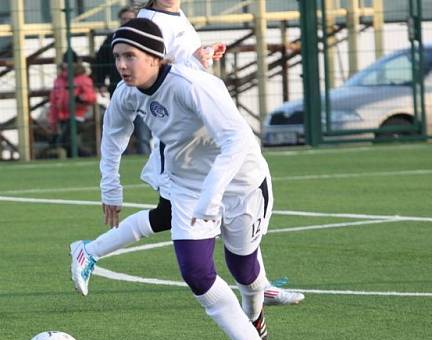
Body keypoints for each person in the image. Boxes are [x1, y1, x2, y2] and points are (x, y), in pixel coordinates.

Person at [70, 0, 304, 306]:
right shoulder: (153, 19)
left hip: (199, 138)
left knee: (233, 203)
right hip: (181, 148)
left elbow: (176, 67)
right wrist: (110, 185)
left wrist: (199, 57)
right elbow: (161, 74)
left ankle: (258, 283)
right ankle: (91, 250)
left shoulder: (173, 14)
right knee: (192, 210)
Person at [85, 18, 275, 340]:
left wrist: (213, 195)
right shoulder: (127, 93)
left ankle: (256, 323)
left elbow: (237, 140)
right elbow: (113, 135)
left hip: (242, 185)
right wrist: (110, 188)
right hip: (188, 187)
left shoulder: (193, 85)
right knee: (197, 272)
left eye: (130, 56)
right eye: (118, 57)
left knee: (245, 272)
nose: (122, 65)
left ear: (156, 57)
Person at [92, 6, 151, 154]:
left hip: (143, 90)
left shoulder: (144, 39)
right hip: (117, 89)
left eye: (129, 19)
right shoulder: (112, 40)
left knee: (142, 130)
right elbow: (100, 63)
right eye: (123, 19)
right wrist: (99, 83)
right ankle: (119, 159)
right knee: (119, 130)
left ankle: (145, 156)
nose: (126, 22)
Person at [48, 55, 98, 157]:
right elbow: (53, 103)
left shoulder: (83, 79)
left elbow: (92, 96)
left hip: (77, 117)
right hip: (62, 117)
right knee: (68, 144)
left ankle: (89, 157)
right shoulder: (58, 80)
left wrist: (81, 98)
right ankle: (83, 159)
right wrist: (53, 123)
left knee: (64, 142)